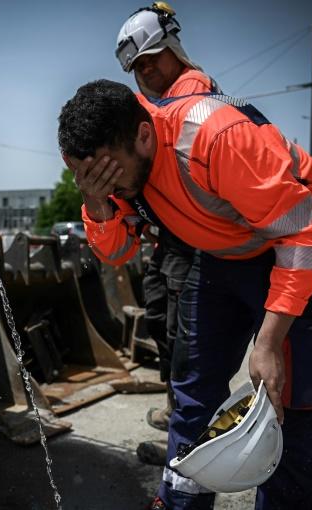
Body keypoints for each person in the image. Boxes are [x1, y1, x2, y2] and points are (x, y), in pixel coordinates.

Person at [58, 80, 312, 509]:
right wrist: (95, 199)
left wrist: (269, 343)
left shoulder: (214, 137)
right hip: (223, 250)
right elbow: (116, 251)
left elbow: (302, 236)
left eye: (107, 174)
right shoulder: (112, 170)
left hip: (302, 238)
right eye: (86, 176)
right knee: (193, 388)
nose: (104, 183)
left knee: (291, 396)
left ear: (144, 135)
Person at [114, 2, 220, 451]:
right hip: (169, 240)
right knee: (159, 316)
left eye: (151, 58)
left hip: (197, 241)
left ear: (174, 47)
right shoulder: (157, 107)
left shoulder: (192, 101)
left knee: (184, 336)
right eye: (137, 66)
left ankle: (191, 436)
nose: (146, 70)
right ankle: (179, 411)